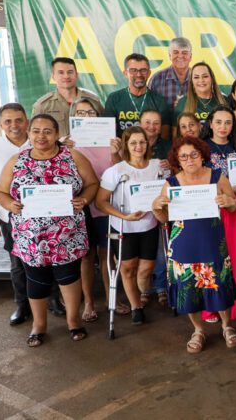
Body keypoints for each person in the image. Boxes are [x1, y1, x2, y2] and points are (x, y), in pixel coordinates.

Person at [0, 114, 99, 347]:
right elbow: (0, 192)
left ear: (56, 133)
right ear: (29, 133)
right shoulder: (16, 160)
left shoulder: (72, 156)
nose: (41, 136)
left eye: (47, 131)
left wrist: (84, 199)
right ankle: (39, 325)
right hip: (30, 236)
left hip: (67, 235)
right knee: (36, 279)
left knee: (69, 277)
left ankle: (73, 321)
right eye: (36, 131)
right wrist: (10, 204)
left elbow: (92, 183)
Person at [152, 136, 236, 353]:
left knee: (218, 282)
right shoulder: (171, 183)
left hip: (212, 241)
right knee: (188, 288)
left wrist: (229, 201)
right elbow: (164, 219)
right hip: (184, 244)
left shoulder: (217, 177)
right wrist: (156, 207)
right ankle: (198, 329)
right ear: (177, 160)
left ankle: (227, 326)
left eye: (194, 154)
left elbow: (233, 205)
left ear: (202, 156)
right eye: (184, 156)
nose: (189, 159)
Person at [0, 103, 39, 325]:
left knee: (48, 260)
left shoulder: (41, 142)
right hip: (9, 218)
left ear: (27, 121)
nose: (14, 125)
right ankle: (22, 305)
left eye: (19, 120)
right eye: (8, 121)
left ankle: (52, 301)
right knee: (18, 263)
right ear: (0, 124)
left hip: (44, 216)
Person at [95, 126, 161, 325]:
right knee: (128, 268)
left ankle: (143, 292)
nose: (138, 146)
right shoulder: (115, 171)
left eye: (142, 142)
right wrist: (124, 216)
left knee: (145, 270)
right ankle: (136, 306)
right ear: (126, 145)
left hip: (149, 225)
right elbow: (101, 202)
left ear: (147, 143)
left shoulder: (158, 166)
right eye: (133, 143)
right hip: (124, 226)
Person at [69, 99, 117, 323]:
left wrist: (117, 152)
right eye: (81, 113)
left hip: (107, 205)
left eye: (91, 112)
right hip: (83, 207)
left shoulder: (111, 141)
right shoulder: (67, 144)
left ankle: (111, 298)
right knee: (86, 257)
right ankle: (88, 301)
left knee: (108, 255)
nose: (87, 116)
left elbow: (119, 171)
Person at [202, 107, 236, 321]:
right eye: (218, 122)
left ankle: (232, 306)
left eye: (228, 122)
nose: (223, 127)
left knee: (235, 255)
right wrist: (228, 187)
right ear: (210, 123)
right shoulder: (201, 148)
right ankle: (209, 307)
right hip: (209, 204)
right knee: (211, 255)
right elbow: (196, 178)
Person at [138, 109, 172, 307]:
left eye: (156, 123)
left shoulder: (167, 146)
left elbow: (175, 172)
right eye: (147, 122)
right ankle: (144, 287)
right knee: (143, 248)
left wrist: (170, 166)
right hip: (139, 203)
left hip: (160, 201)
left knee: (160, 246)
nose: (152, 127)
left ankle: (160, 286)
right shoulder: (133, 143)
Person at [103, 53, 171, 139]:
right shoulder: (114, 99)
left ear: (149, 73)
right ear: (125, 73)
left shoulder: (159, 100)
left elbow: (164, 135)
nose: (139, 74)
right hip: (122, 150)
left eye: (143, 70)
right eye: (133, 70)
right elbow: (108, 134)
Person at [32, 57, 103, 136]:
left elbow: (104, 128)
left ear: (76, 74)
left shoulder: (93, 100)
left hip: (87, 148)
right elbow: (34, 134)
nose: (66, 76)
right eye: (61, 72)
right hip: (56, 148)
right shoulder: (42, 105)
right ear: (53, 76)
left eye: (70, 72)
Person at [174, 61, 229, 128]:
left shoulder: (225, 101)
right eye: (196, 77)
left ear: (212, 79)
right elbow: (176, 134)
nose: (201, 80)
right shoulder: (182, 103)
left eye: (205, 76)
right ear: (191, 82)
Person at [148, 37, 192, 109]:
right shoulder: (157, 79)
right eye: (176, 52)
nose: (180, 56)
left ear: (190, 56)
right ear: (169, 56)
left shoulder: (199, 78)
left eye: (184, 53)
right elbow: (150, 109)